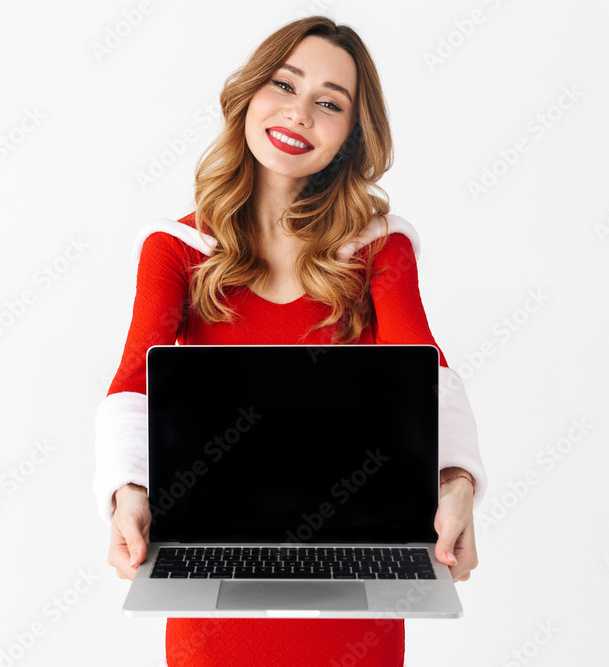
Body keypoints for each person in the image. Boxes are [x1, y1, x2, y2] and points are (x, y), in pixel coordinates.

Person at [93, 15, 488, 667]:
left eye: (329, 103)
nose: (300, 113)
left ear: (350, 137)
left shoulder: (379, 248)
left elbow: (428, 369)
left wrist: (456, 483)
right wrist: (128, 493)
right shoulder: (175, 249)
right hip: (211, 576)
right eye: (284, 84)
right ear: (251, 93)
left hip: (361, 575)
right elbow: (134, 381)